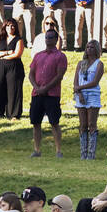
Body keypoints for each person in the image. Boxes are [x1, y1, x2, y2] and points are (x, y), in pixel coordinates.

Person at [28, 28, 67, 158]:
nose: (48, 40)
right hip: (37, 93)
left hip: (52, 94)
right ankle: (37, 149)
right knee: (36, 122)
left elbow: (59, 75)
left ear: (56, 40)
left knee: (54, 122)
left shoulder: (60, 56)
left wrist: (46, 88)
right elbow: (31, 74)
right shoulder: (38, 55)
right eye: (46, 37)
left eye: (51, 37)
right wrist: (36, 87)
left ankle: (58, 150)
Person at [0, 17, 25, 119]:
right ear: (4, 27)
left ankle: (13, 114)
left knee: (13, 90)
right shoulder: (0, 37)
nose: (10, 28)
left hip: (14, 67)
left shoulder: (19, 39)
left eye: (12, 26)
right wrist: (6, 53)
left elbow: (17, 54)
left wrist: (3, 57)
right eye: (8, 25)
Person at [73, 39, 103, 160]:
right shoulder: (81, 64)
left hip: (92, 95)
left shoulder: (99, 64)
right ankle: (83, 153)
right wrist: (78, 91)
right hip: (80, 95)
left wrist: (80, 87)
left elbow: (95, 82)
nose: (89, 49)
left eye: (92, 47)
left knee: (91, 124)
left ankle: (91, 153)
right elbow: (75, 81)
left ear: (96, 49)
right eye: (87, 47)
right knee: (83, 124)